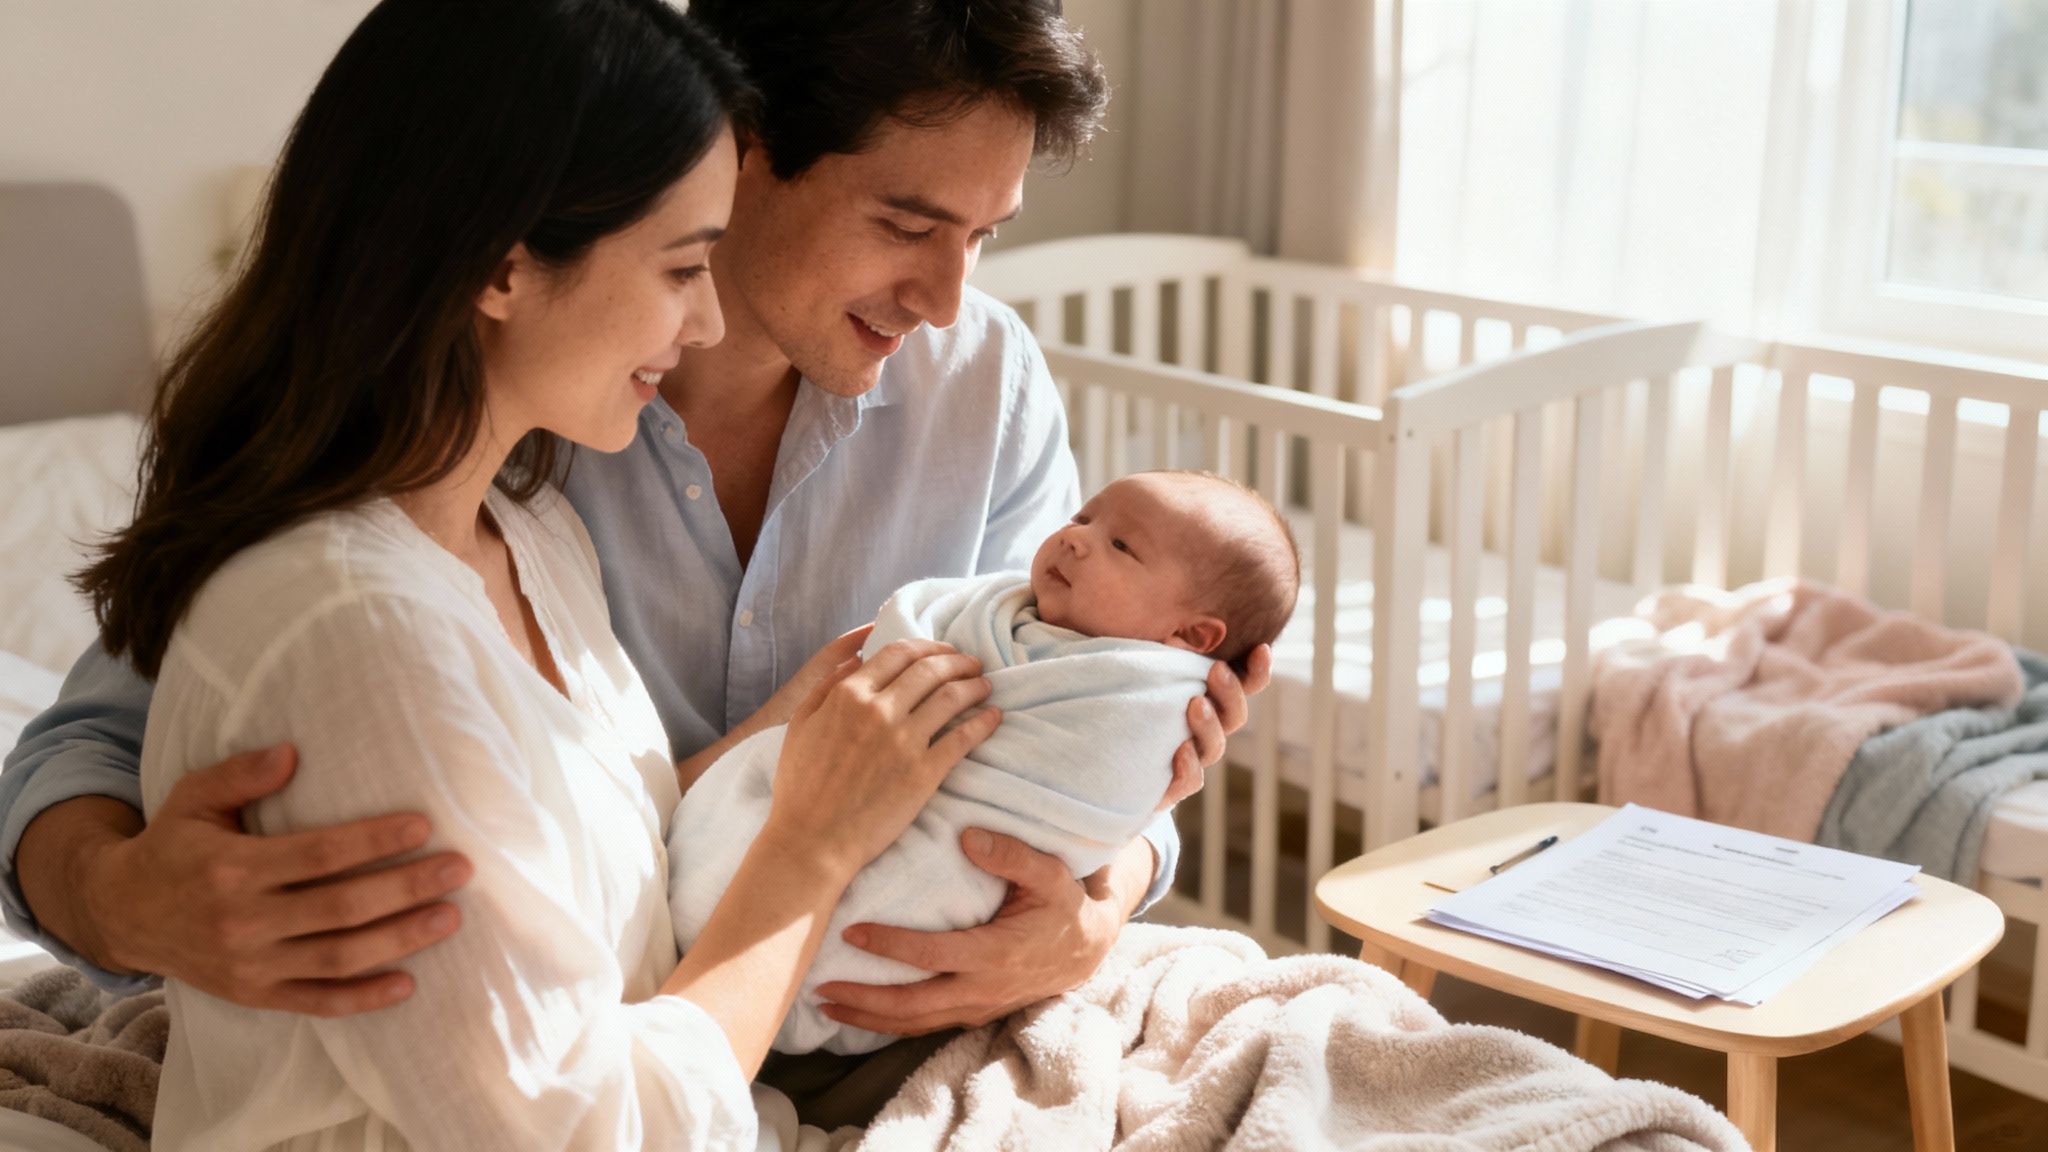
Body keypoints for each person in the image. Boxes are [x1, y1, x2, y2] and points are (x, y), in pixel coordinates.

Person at [0, 0, 1272, 1130]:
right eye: (906, 222)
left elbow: (1075, 721)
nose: (946, 298)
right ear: (742, 145)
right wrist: (119, 900)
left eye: (985, 235)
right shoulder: (482, 457)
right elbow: (101, 748)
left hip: (865, 1014)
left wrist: (1104, 891)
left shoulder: (969, 391)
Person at [670, 471, 1301, 1055]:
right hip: (750, 874)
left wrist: (1101, 906)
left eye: (1121, 546)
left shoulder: (1148, 699)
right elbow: (913, 626)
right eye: (1082, 518)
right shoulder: (1003, 610)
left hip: (949, 933)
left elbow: (1100, 802)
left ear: (1192, 639)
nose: (1075, 538)